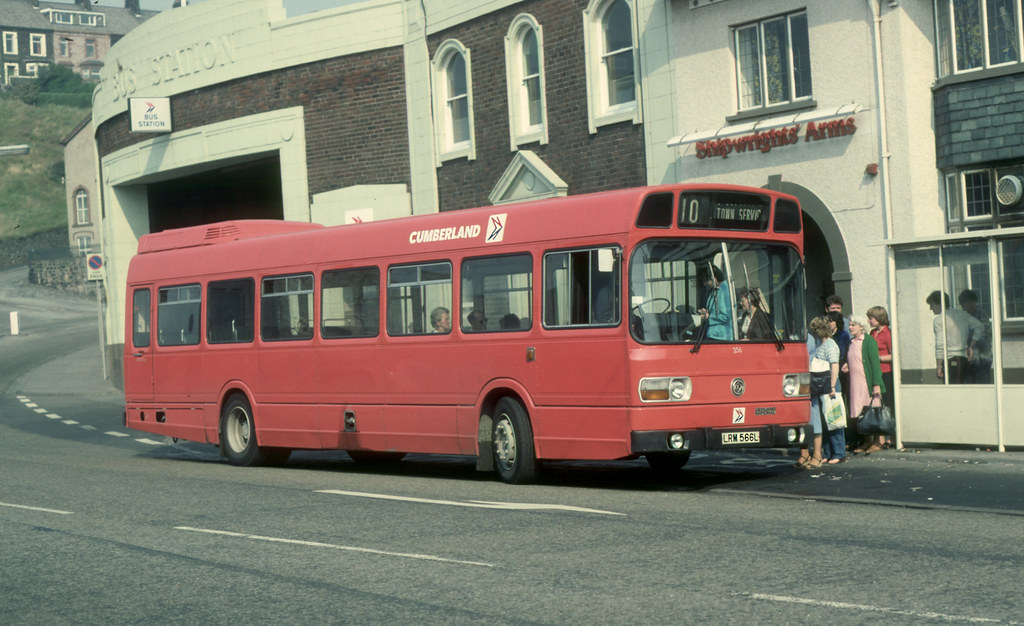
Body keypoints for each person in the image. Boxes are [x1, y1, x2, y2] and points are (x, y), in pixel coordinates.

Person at [844, 315, 885, 454]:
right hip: (855, 384)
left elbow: (875, 364)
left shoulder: (869, 341)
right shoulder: (851, 342)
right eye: (850, 325)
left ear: (861, 327)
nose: (850, 327)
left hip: (866, 383)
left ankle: (877, 442)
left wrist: (876, 384)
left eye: (853, 325)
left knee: (873, 412)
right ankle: (867, 441)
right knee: (861, 413)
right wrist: (847, 365)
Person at [926, 291, 982, 384]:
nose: (930, 308)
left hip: (950, 360)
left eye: (931, 305)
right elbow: (979, 327)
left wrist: (938, 367)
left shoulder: (939, 320)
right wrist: (971, 346)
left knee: (952, 392)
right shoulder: (962, 314)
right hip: (964, 360)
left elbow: (940, 345)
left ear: (939, 304)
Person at [816, 315, 846, 464]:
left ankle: (839, 453)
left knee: (834, 419)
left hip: (830, 385)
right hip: (822, 385)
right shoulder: (820, 344)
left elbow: (835, 365)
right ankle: (828, 452)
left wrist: (832, 386)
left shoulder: (830, 345)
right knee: (826, 421)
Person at [865, 305, 894, 452]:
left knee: (887, 405)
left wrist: (879, 358)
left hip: (886, 372)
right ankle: (879, 438)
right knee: (877, 404)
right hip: (875, 373)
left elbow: (893, 354)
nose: (869, 321)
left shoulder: (887, 334)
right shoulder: (872, 333)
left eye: (871, 318)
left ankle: (889, 437)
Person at [958, 289, 992, 383]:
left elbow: (981, 332)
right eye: (967, 302)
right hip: (967, 357)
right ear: (962, 305)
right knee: (968, 385)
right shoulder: (961, 317)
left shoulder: (982, 314)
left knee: (983, 384)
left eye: (973, 301)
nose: (970, 305)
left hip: (983, 356)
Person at [697, 264, 733, 340]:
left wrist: (708, 317)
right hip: (713, 334)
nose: (705, 284)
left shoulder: (724, 291)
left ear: (714, 278)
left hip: (722, 336)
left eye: (706, 281)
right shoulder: (715, 290)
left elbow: (726, 316)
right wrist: (706, 312)